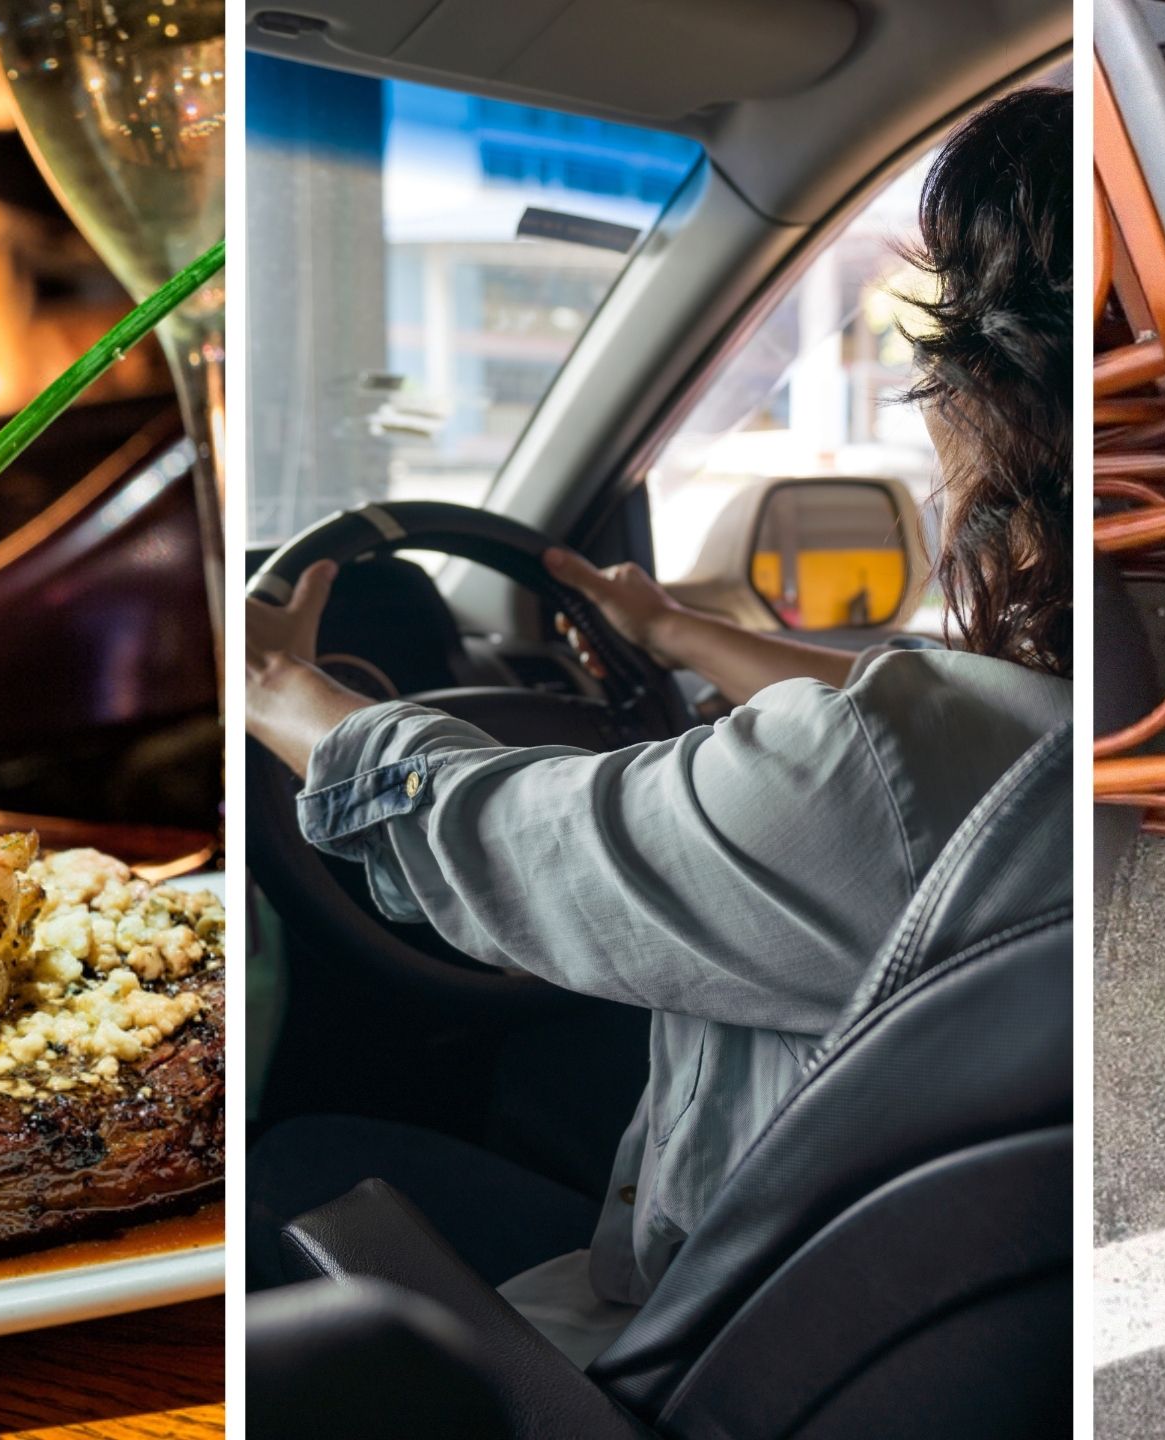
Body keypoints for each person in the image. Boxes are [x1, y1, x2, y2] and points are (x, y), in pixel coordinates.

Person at [242, 85, 1072, 1360]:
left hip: (689, 1353)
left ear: (988, 395)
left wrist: (283, 695)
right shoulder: (1086, 706)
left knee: (292, 1156)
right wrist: (679, 636)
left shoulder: (861, 783)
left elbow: (507, 834)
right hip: (900, 1325)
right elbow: (927, 729)